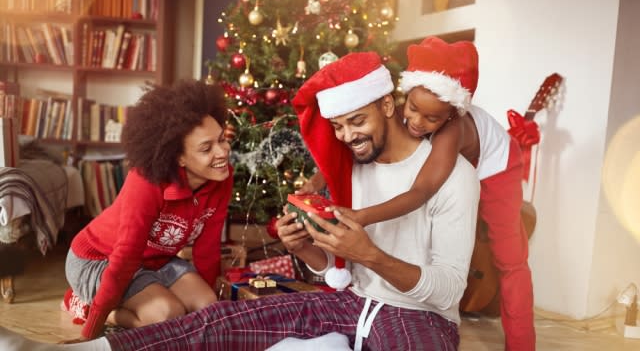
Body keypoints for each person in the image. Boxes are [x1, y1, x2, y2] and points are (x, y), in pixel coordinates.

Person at [0, 52, 478, 351]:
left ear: (389, 105)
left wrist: (368, 253)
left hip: (419, 318)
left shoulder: (453, 178)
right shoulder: (351, 166)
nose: (347, 136)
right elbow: (339, 270)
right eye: (338, 126)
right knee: (213, 325)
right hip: (349, 304)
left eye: (357, 121)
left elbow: (446, 292)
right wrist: (307, 251)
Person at [302, 37, 536, 351]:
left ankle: (523, 345)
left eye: (431, 119)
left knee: (510, 258)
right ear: (402, 98)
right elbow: (352, 143)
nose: (415, 122)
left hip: (497, 164)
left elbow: (421, 190)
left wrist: (362, 217)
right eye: (411, 109)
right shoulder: (392, 111)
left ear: (451, 115)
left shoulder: (450, 131)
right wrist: (318, 181)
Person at [63, 79, 234, 340]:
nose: (223, 152)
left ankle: (141, 301)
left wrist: (206, 310)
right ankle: (86, 303)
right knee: (169, 314)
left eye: (222, 140)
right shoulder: (146, 180)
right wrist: (92, 330)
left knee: (206, 307)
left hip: (156, 261)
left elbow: (208, 249)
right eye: (206, 148)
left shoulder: (221, 177)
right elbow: (125, 257)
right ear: (179, 157)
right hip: (99, 258)